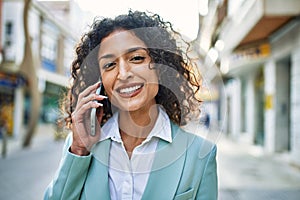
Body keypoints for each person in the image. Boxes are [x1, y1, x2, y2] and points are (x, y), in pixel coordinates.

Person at [44, 10, 218, 200]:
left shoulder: (200, 154)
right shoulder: (79, 146)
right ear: (99, 79)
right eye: (109, 64)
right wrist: (79, 149)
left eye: (136, 58)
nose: (124, 73)